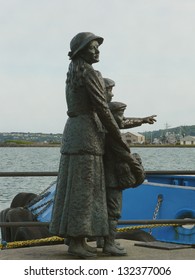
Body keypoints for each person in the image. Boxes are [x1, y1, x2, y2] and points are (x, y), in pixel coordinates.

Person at [49, 32, 130, 258]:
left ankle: (76, 239)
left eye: (97, 47)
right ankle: (77, 242)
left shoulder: (72, 74)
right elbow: (103, 109)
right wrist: (119, 140)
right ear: (82, 51)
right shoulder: (91, 73)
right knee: (86, 191)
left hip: (73, 133)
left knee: (73, 188)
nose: (97, 51)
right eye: (93, 47)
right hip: (87, 135)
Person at [101, 101, 145, 256]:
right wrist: (140, 175)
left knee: (104, 209)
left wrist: (142, 120)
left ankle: (103, 239)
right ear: (111, 116)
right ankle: (109, 244)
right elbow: (127, 157)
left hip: (104, 178)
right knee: (114, 212)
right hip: (112, 180)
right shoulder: (113, 136)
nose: (123, 118)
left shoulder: (105, 129)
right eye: (120, 114)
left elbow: (124, 123)